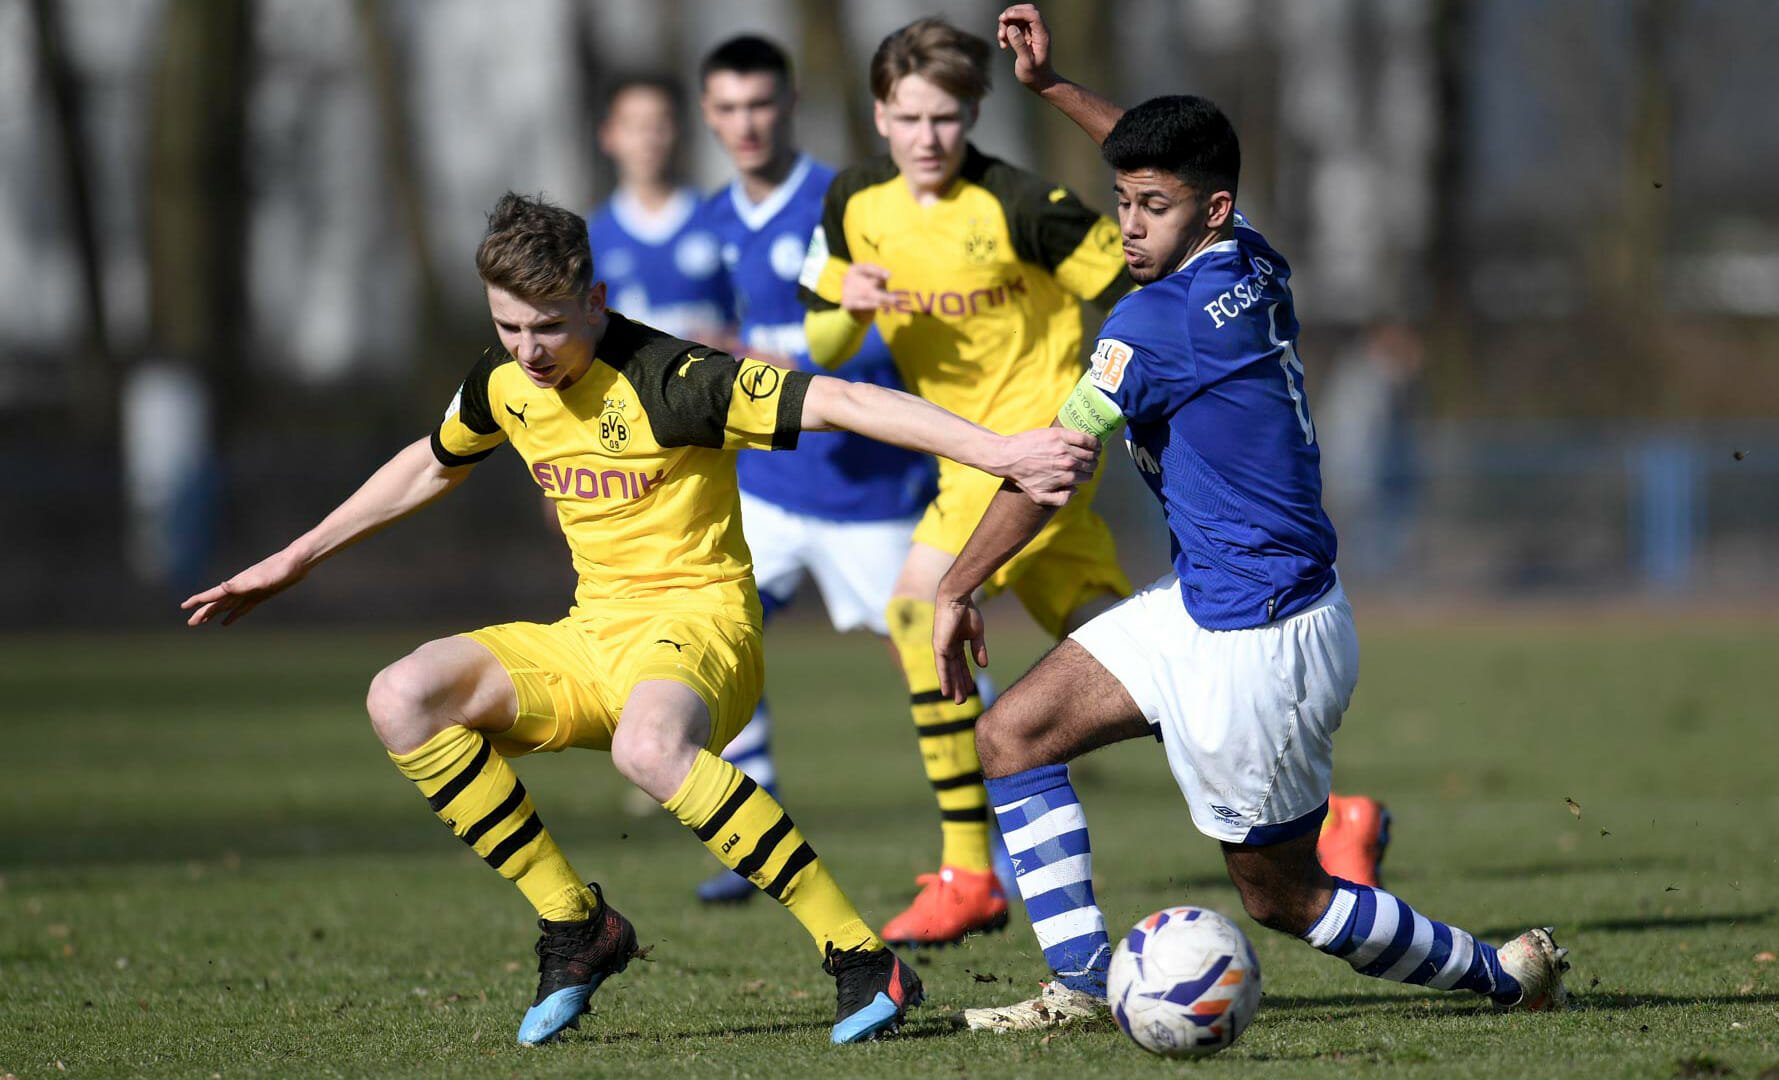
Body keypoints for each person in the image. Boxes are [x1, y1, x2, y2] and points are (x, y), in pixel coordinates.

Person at [181, 192, 1100, 1046]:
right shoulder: (505, 380)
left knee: (646, 750)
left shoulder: (675, 379)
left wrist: (1002, 451)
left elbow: (847, 401)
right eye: (506, 327)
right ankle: (576, 924)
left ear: (596, 299)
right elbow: (430, 462)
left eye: (548, 325)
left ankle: (863, 960)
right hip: (593, 637)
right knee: (401, 696)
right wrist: (293, 559)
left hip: (703, 633)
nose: (527, 350)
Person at [935, 6, 1571, 1032]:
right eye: (1122, 202)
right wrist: (1053, 88)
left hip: (1262, 642)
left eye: (1152, 208)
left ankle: (1501, 977)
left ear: (1211, 210)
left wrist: (955, 586)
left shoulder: (1154, 326)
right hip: (1208, 602)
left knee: (1282, 899)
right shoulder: (1250, 259)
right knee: (1013, 734)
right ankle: (1085, 986)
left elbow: (1050, 470)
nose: (1130, 224)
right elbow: (1160, 155)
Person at [793, 14, 1136, 949]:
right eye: (908, 118)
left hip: (1040, 453)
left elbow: (1142, 285)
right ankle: (1330, 816)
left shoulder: (1024, 204)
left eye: (945, 117)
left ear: (975, 110)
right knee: (1141, 661)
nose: (927, 138)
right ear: (878, 116)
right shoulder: (853, 204)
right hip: (970, 460)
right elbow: (820, 346)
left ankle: (969, 873)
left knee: (917, 612)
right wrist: (844, 307)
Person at [685, 34, 942, 905]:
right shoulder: (712, 222)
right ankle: (748, 819)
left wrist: (764, 351)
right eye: (727, 108)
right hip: (764, 488)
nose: (745, 123)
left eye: (760, 104)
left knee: (941, 661)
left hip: (867, 493)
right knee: (707, 637)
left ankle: (1000, 835)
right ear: (710, 116)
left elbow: (887, 330)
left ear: (789, 103)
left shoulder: (851, 202)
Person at [588, 74, 729, 342]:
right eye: (633, 126)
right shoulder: (592, 237)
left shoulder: (719, 220)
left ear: (678, 130)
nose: (647, 139)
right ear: (608, 135)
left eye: (658, 124)